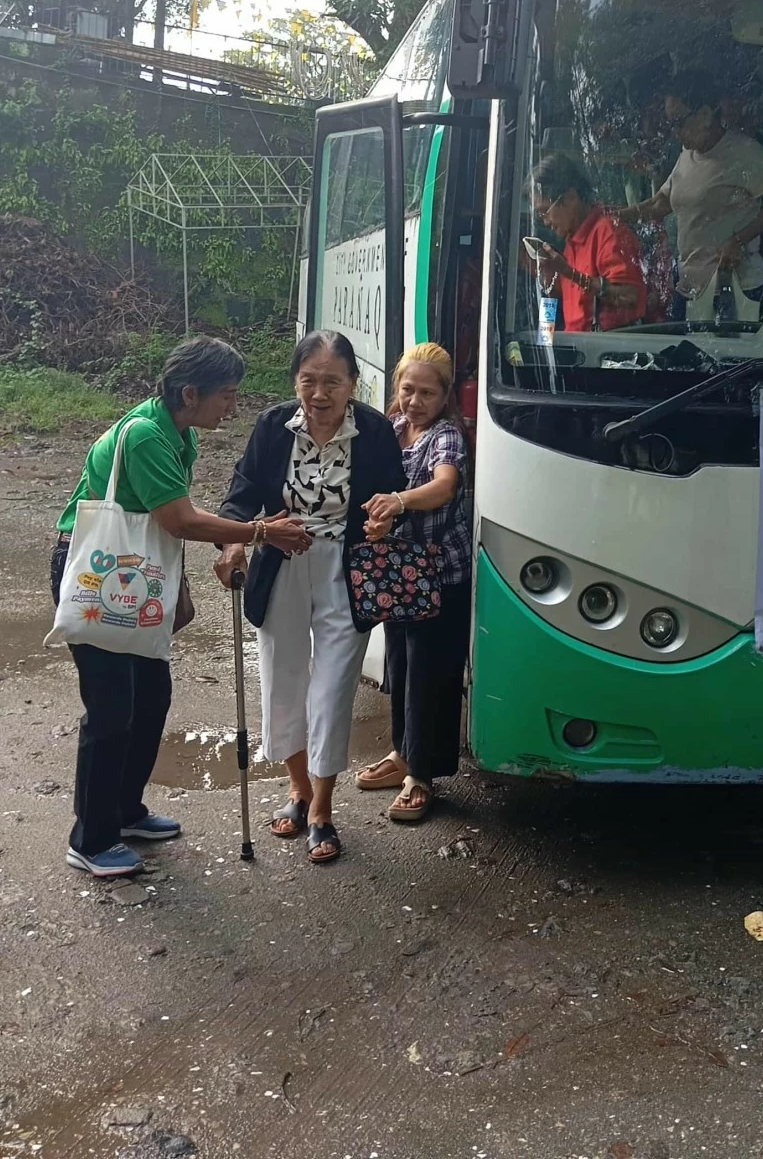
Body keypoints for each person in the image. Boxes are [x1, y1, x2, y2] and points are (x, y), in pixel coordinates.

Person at [50, 337, 309, 880]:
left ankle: (124, 812)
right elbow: (181, 522)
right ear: (190, 393)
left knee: (151, 697)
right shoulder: (145, 436)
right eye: (227, 396)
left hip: (133, 573)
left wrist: (178, 586)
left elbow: (161, 524)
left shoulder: (178, 432)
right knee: (111, 708)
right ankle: (90, 839)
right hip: (98, 575)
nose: (232, 408)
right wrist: (262, 532)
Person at [215, 331, 404, 865]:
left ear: (352, 384)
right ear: (295, 380)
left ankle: (322, 808)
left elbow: (392, 495)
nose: (319, 394)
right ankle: (298, 791)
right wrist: (234, 544)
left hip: (347, 569)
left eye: (332, 382)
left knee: (333, 686)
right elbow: (241, 493)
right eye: (309, 380)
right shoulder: (275, 426)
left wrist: (385, 520)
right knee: (283, 680)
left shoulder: (372, 430)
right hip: (282, 562)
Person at [355, 343, 472, 824]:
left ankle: (422, 775)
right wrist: (378, 521)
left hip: (440, 574)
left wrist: (399, 503)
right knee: (400, 667)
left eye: (427, 392)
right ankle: (402, 752)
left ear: (445, 396)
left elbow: (444, 485)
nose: (415, 400)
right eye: (408, 389)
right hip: (401, 573)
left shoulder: (446, 435)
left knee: (431, 674)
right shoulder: (393, 429)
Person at [617, 78, 763, 321]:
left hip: (733, 288)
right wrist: (611, 216)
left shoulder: (744, 152)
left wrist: (739, 240)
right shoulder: (686, 156)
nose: (675, 132)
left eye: (679, 123)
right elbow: (660, 205)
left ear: (704, 115)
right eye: (671, 124)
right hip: (688, 286)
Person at [528, 154, 648, 331]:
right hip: (578, 352)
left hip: (607, 353)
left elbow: (630, 296)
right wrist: (547, 279)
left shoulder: (608, 232)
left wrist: (568, 272)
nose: (545, 222)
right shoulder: (571, 242)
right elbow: (578, 303)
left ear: (570, 197)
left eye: (545, 211)